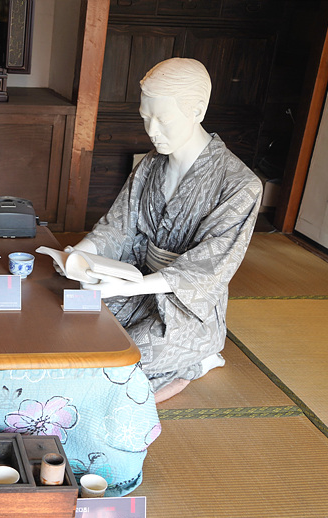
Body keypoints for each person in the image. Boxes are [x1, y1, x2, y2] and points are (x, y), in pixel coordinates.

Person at [63, 58, 262, 401]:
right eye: (145, 117)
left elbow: (207, 268)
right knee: (71, 331)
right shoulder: (150, 165)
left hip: (186, 308)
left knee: (113, 367)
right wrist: (81, 252)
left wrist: (134, 285)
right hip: (135, 283)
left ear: (197, 110)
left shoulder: (240, 185)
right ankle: (181, 363)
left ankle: (195, 359)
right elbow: (119, 226)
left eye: (163, 119)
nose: (152, 130)